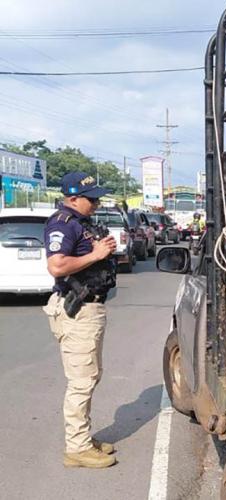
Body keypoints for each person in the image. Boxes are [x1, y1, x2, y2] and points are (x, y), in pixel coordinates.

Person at [42, 172, 118, 469]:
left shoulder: (81, 223)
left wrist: (103, 250)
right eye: (92, 199)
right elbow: (57, 266)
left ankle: (83, 438)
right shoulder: (62, 223)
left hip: (90, 310)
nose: (97, 204)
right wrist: (97, 255)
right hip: (78, 312)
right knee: (81, 382)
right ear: (72, 198)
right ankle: (77, 448)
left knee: (90, 377)